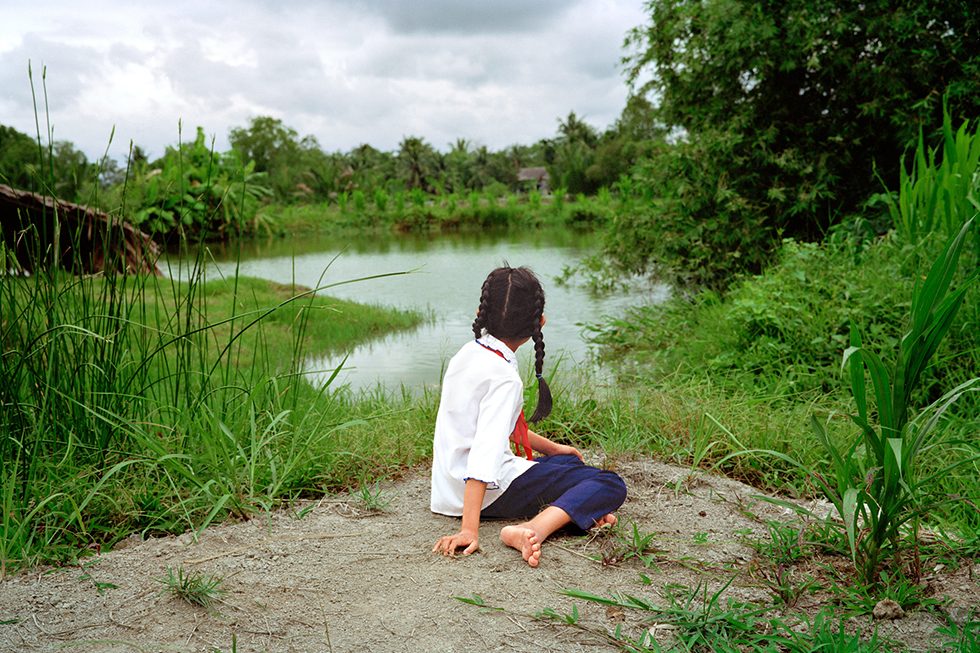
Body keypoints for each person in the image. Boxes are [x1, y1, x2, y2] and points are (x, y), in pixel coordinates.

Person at [430, 266, 627, 567]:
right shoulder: (504, 378)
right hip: (484, 494)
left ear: (481, 313)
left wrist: (553, 449)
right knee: (610, 484)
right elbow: (484, 453)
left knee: (568, 462)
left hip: (450, 488)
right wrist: (469, 529)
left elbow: (497, 428)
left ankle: (576, 513)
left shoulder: (468, 354)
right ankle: (531, 529)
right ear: (540, 323)